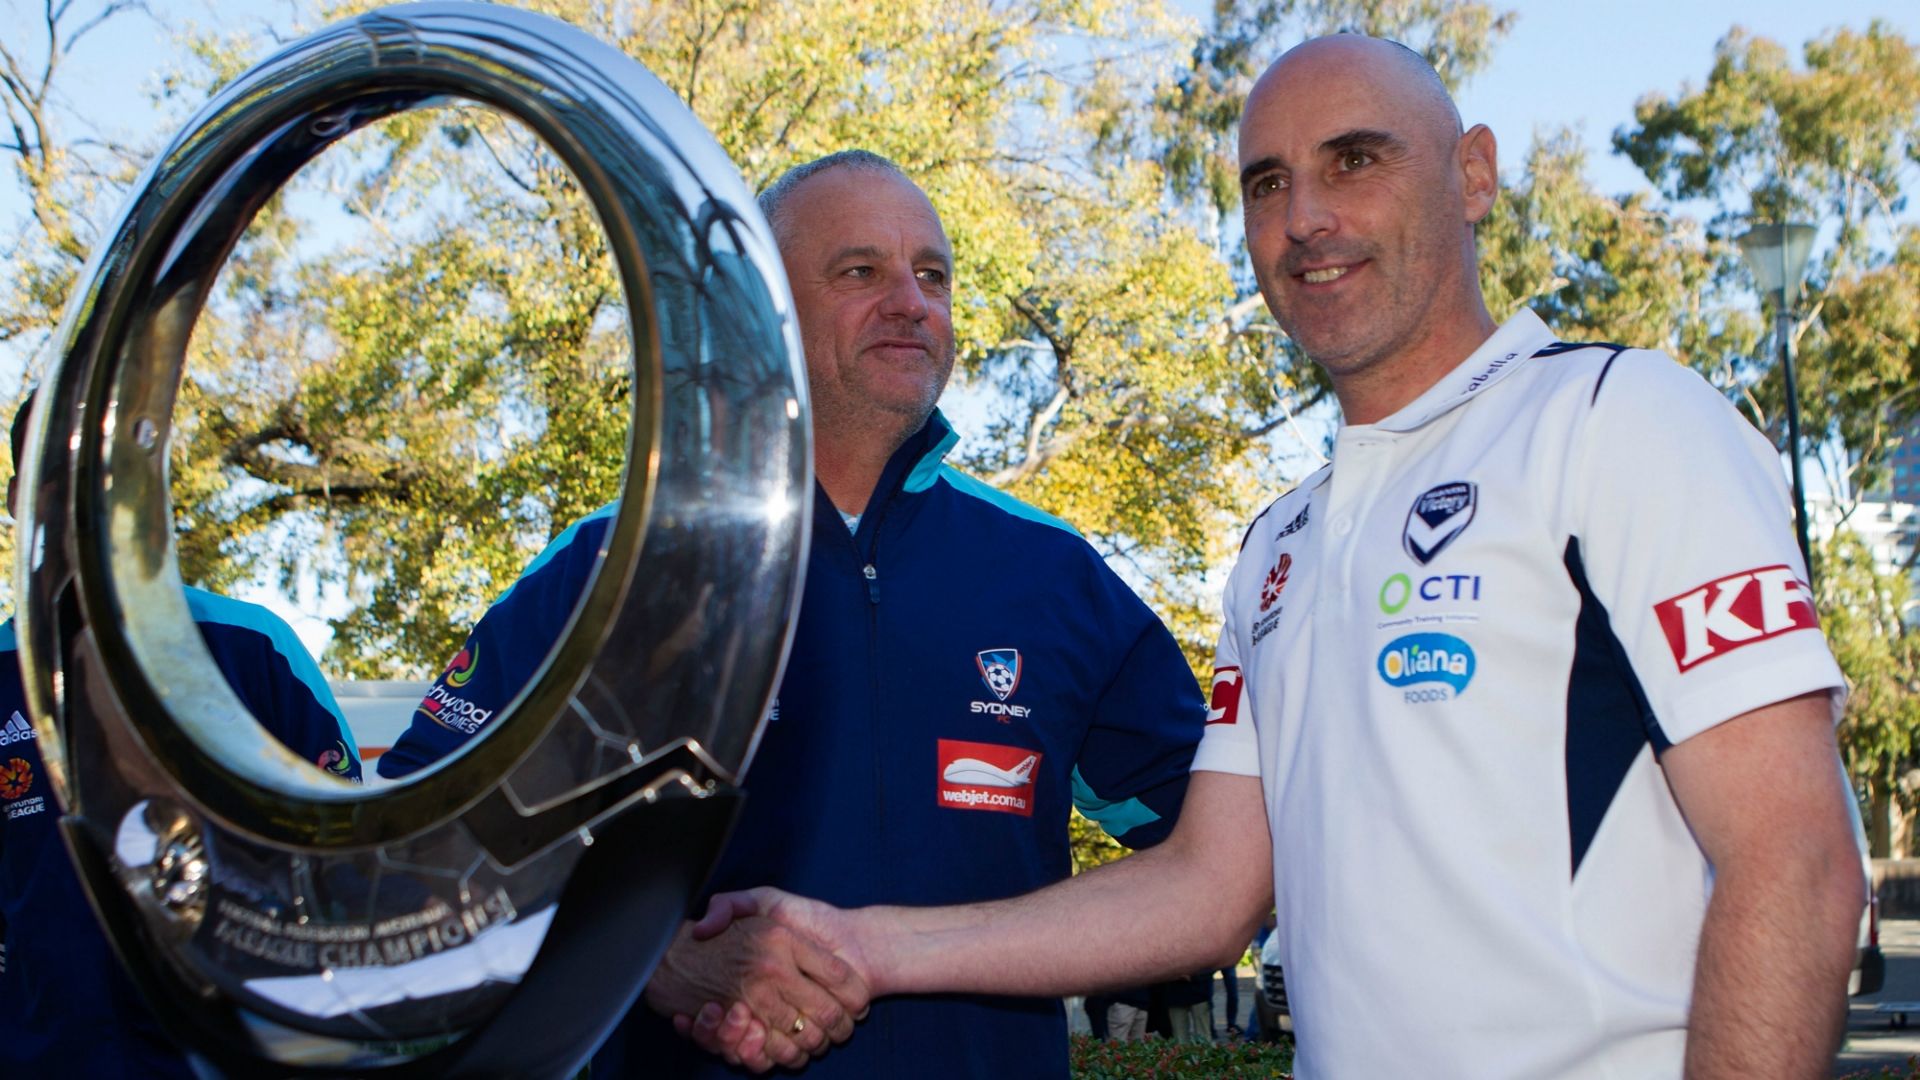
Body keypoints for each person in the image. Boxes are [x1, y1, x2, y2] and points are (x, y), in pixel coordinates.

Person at [679, 35, 1866, 1080]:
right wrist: (859, 945)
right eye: (1267, 183)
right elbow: (1207, 889)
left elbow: (1796, 860)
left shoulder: (1621, 419)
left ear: (1474, 174)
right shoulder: (1278, 545)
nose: (1305, 217)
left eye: (1356, 159)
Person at [376, 150, 1211, 1079]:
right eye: (861, 271)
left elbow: (1219, 863)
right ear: (761, 315)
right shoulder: (622, 565)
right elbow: (417, 849)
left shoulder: (1052, 575)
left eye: (931, 275)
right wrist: (652, 961)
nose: (911, 301)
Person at [0, 397, 364, 1076]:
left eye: (107, 473)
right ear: (20, 498)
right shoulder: (0, 674)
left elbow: (344, 865)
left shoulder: (254, 652)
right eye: (56, 476)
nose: (82, 497)